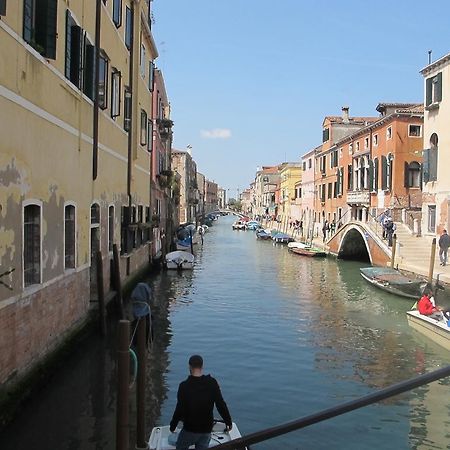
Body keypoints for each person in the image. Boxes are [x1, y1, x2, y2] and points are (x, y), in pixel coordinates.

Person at [170, 355, 233, 450]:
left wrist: (173, 426)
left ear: (189, 367)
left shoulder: (184, 386)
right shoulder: (212, 383)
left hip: (189, 429)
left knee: (181, 446)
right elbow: (221, 404)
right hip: (206, 430)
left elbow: (179, 409)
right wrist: (228, 421)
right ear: (202, 366)